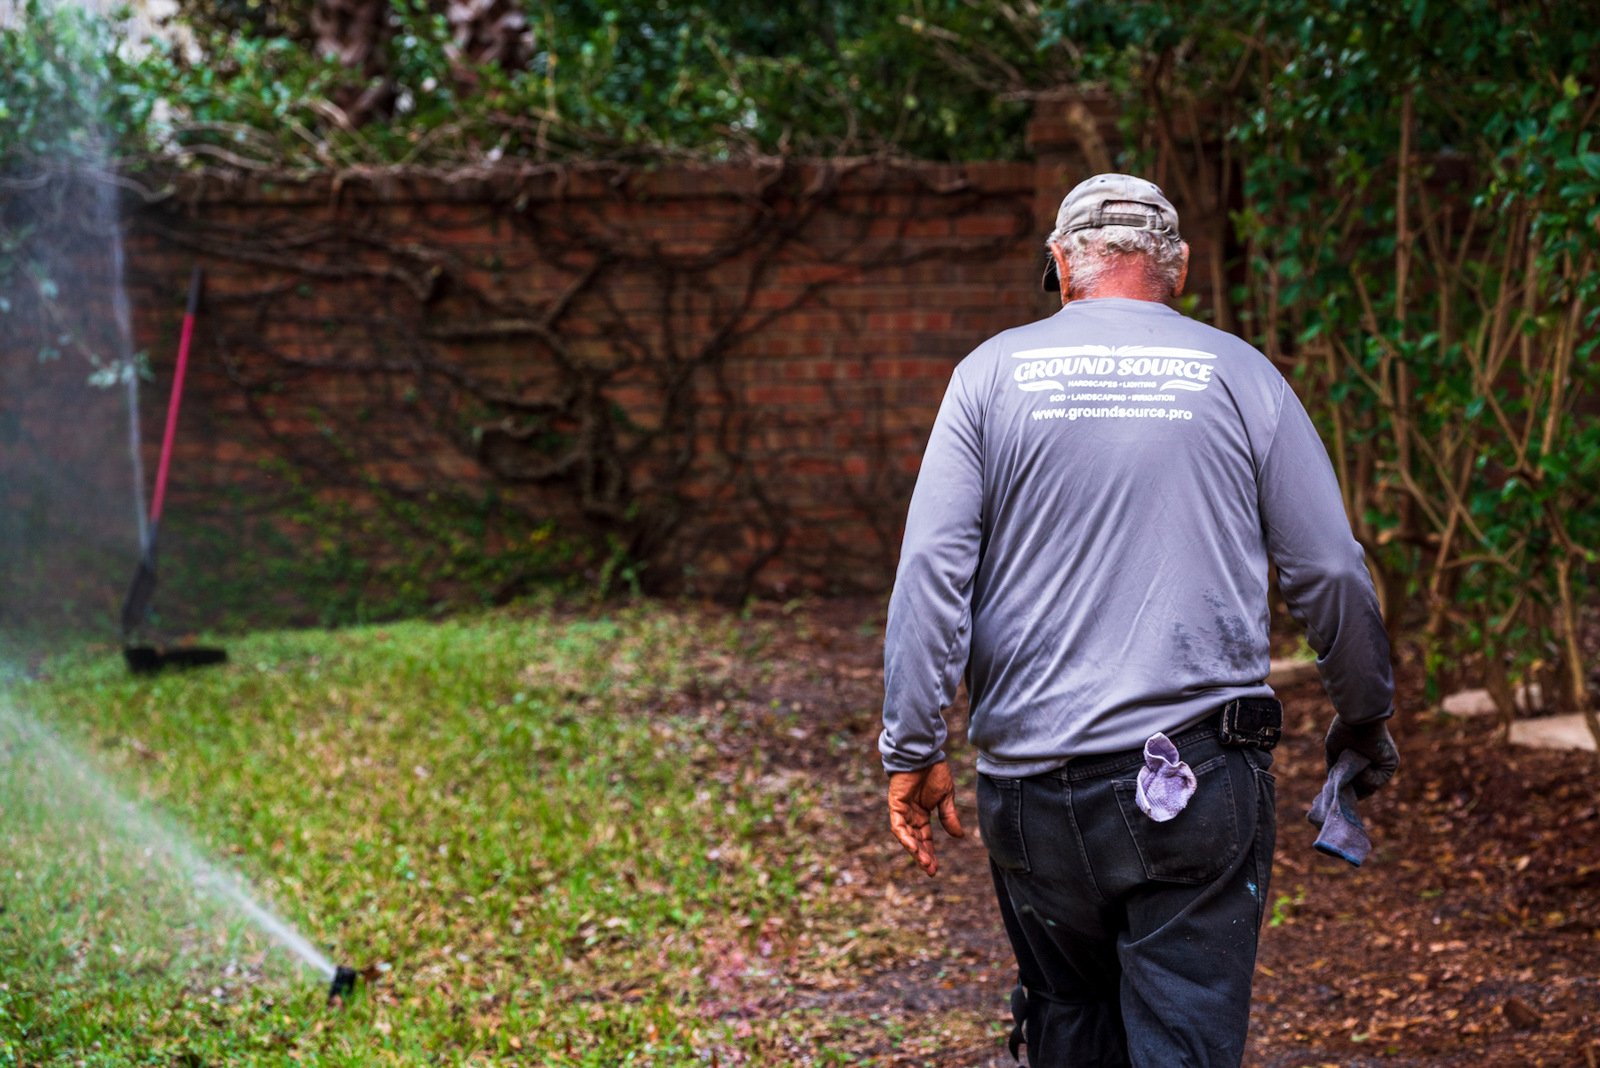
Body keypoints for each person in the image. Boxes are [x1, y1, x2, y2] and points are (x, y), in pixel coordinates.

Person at [878, 173, 1399, 1067]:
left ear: (1061, 265)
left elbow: (932, 569)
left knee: (1066, 1022)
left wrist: (915, 746)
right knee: (1182, 1041)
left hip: (1030, 790)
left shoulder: (988, 377)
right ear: (1181, 269)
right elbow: (1331, 570)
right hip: (1196, 786)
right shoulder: (1240, 374)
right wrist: (1365, 711)